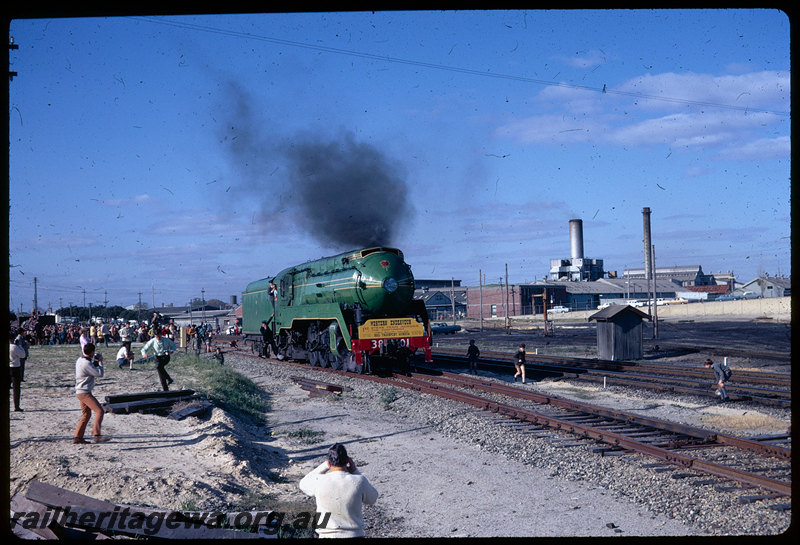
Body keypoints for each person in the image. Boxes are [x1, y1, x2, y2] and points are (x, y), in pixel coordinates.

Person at [299, 443, 379, 538]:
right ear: (347, 461)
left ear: (329, 462)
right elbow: (373, 498)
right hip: (354, 535)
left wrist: (324, 466)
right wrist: (355, 471)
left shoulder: (319, 481)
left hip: (326, 535)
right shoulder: (358, 481)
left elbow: (303, 484)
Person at [74, 342, 109, 443]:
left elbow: (90, 368)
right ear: (92, 353)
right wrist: (100, 362)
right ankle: (96, 435)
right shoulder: (86, 363)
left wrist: (95, 362)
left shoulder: (80, 360)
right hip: (85, 392)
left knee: (86, 414)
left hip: (80, 391)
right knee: (99, 411)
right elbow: (99, 373)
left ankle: (78, 437)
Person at [9, 332, 27, 411]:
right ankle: (16, 406)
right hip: (15, 367)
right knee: (16, 388)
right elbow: (23, 355)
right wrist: (19, 345)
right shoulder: (14, 347)